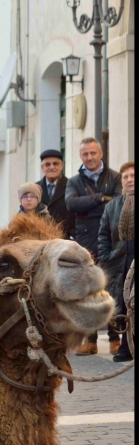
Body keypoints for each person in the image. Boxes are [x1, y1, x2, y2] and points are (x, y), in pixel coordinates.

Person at [65, 137, 122, 355]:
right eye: (85, 154)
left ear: (100, 153)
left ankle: (115, 338)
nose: (89, 157)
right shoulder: (74, 182)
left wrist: (89, 206)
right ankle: (90, 341)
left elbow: (117, 202)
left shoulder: (115, 177)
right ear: (81, 156)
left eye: (93, 153)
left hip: (111, 239)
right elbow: (72, 203)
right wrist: (100, 198)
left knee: (112, 290)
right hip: (86, 242)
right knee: (89, 292)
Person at [98, 162, 135, 362]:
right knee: (123, 305)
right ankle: (126, 345)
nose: (130, 180)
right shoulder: (112, 206)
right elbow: (103, 233)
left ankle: (129, 346)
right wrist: (106, 256)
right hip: (119, 263)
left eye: (133, 175)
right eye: (126, 177)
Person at [36, 149, 75, 239]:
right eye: (47, 164)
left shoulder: (72, 186)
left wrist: (72, 235)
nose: (52, 167)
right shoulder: (35, 188)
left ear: (62, 166)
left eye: (55, 164)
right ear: (42, 168)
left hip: (65, 240)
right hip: (41, 240)